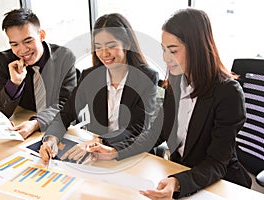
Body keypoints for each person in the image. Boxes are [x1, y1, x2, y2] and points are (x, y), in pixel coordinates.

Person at [87, 8, 252, 199]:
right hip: (178, 173)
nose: (165, 58)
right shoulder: (175, 82)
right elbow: (155, 134)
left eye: (173, 50)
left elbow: (216, 163)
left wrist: (178, 182)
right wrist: (116, 151)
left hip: (218, 185)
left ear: (196, 48)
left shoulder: (228, 93)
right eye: (164, 50)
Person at [39, 13, 159, 165]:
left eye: (111, 46)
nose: (104, 53)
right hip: (97, 158)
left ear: (127, 44)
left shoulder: (146, 78)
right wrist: (51, 139)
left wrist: (98, 141)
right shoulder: (90, 77)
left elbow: (136, 128)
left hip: (131, 155)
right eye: (98, 47)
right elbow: (65, 114)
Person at [0, 8, 77, 139]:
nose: (22, 50)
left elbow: (66, 104)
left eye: (28, 41)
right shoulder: (4, 61)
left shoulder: (64, 57)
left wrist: (36, 123)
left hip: (58, 128)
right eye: (15, 44)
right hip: (21, 125)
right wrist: (14, 83)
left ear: (41, 35)